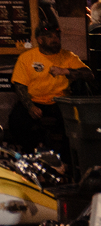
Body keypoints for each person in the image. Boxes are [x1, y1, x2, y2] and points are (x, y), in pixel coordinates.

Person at [10, 21, 90, 150]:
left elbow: (89, 75)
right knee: (17, 120)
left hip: (61, 102)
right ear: (40, 40)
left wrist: (66, 71)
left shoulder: (68, 56)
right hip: (35, 101)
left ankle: (67, 161)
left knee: (72, 125)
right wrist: (30, 106)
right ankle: (31, 154)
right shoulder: (27, 58)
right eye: (50, 36)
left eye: (57, 36)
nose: (55, 39)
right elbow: (20, 86)